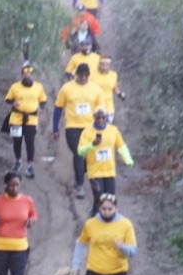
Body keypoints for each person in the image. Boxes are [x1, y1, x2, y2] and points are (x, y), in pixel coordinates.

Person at [53, 63, 105, 199]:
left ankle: (79, 175)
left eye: (85, 75)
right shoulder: (67, 88)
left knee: (89, 155)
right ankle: (80, 186)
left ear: (88, 75)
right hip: (72, 126)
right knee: (78, 153)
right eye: (80, 75)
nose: (83, 78)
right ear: (76, 75)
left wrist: (103, 126)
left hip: (90, 127)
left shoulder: (96, 89)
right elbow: (58, 108)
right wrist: (55, 127)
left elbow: (101, 110)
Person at [77, 104, 133, 215]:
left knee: (110, 200)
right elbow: (80, 151)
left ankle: (104, 220)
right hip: (95, 172)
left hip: (109, 171)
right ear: (94, 117)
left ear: (107, 117)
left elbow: (121, 146)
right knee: (100, 198)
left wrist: (128, 160)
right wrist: (92, 145)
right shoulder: (87, 132)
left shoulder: (113, 130)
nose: (101, 120)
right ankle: (94, 221)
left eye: (103, 117)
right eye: (98, 117)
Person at [4, 63, 47, 179]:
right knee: (17, 140)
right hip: (16, 117)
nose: (27, 76)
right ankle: (18, 160)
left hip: (31, 119)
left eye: (29, 74)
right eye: (25, 74)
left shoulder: (38, 87)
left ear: (32, 75)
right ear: (22, 75)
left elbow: (43, 99)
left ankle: (30, 165)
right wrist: (13, 103)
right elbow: (7, 99)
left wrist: (41, 108)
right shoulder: (15, 86)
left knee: (30, 141)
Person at [89, 56, 125, 123]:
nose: (105, 67)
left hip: (108, 106)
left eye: (107, 65)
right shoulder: (91, 74)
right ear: (99, 64)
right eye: (102, 65)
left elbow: (115, 88)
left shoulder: (113, 75)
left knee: (106, 127)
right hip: (95, 105)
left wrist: (120, 95)